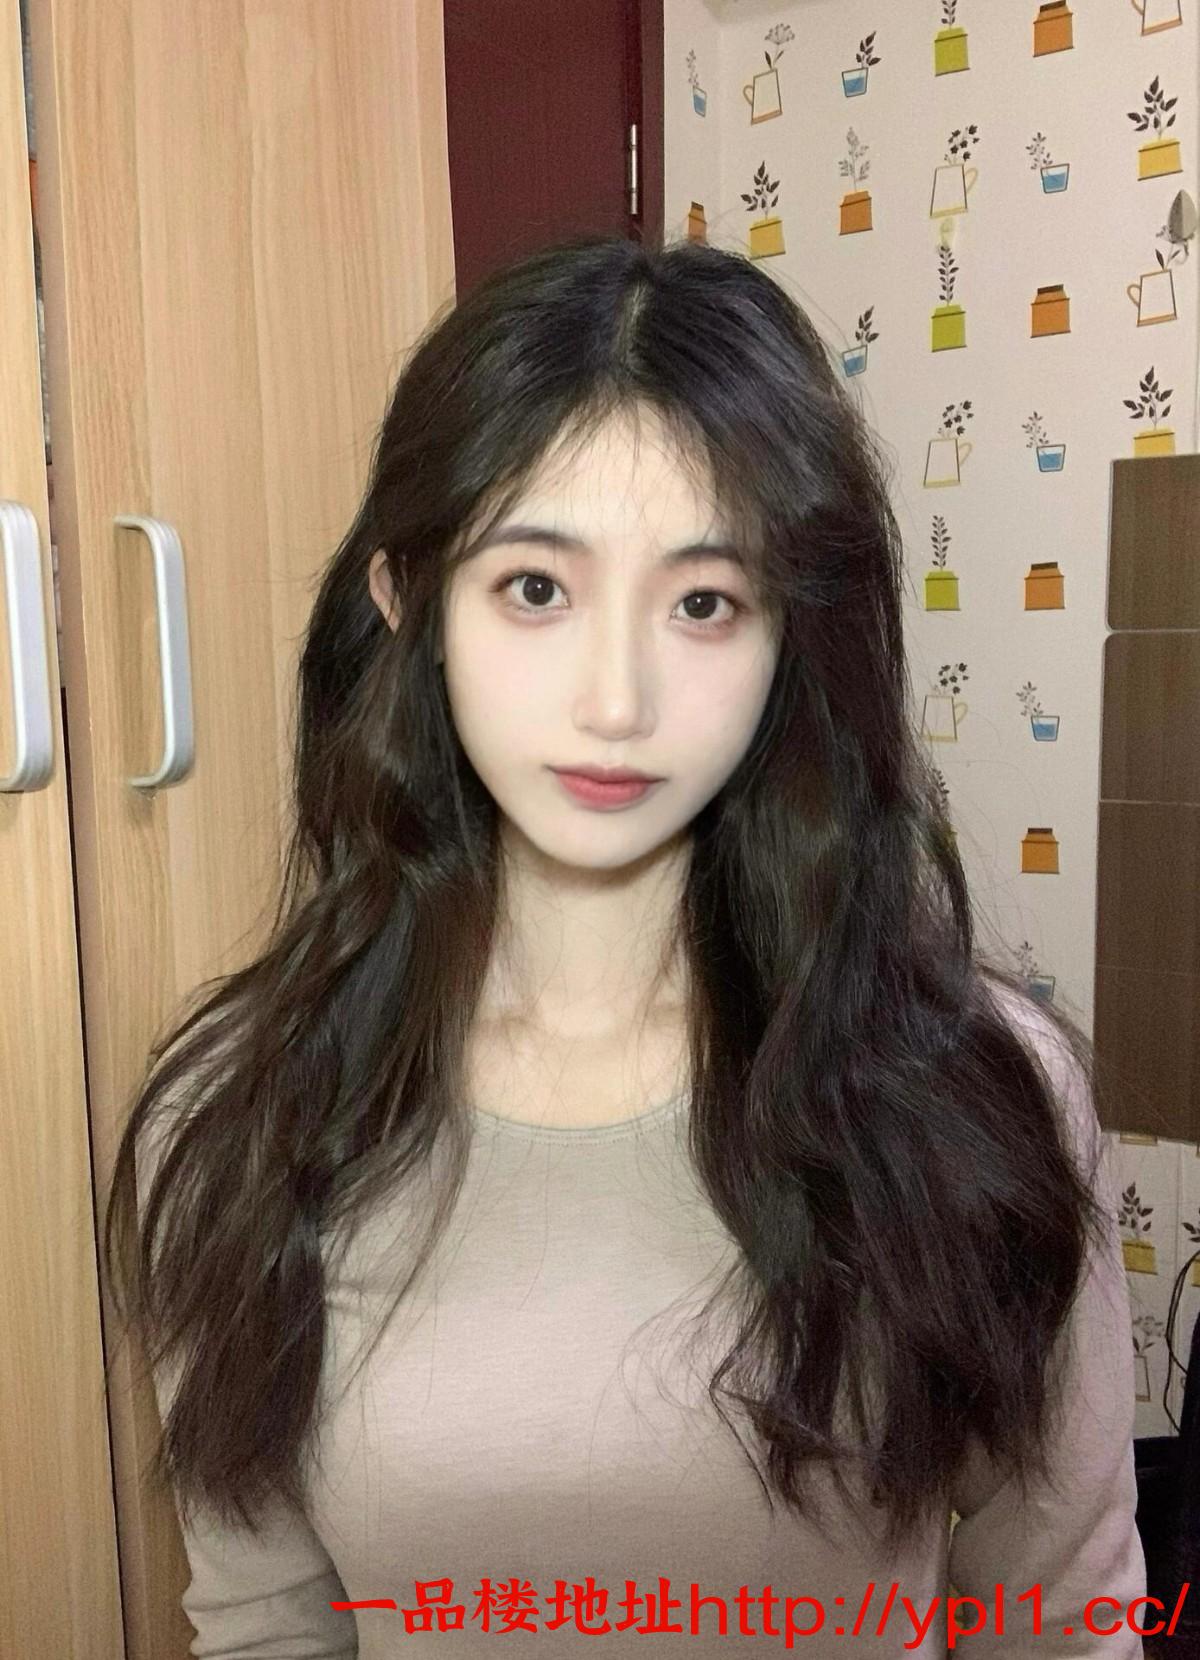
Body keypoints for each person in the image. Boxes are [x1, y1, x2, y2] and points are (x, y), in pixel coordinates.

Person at [104, 233, 1147, 1657]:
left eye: (704, 603)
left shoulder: (980, 1095)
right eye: (536, 588)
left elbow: (1063, 1615)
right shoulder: (241, 1115)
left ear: (788, 635)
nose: (616, 701)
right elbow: (268, 1625)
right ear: (410, 601)